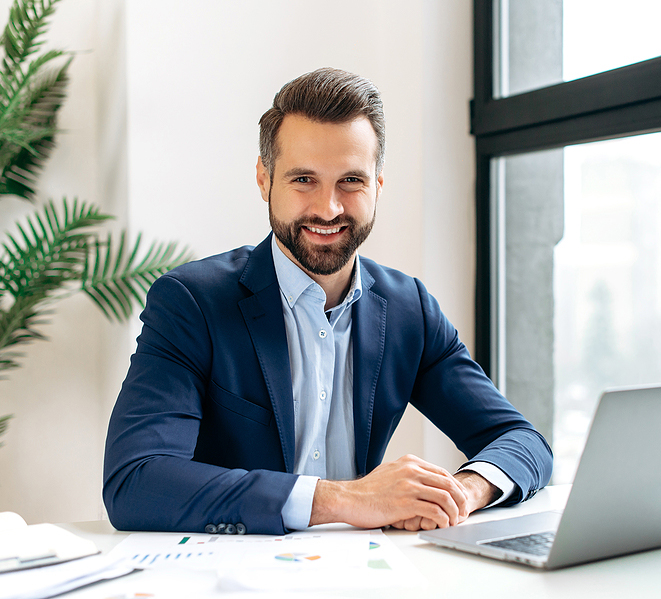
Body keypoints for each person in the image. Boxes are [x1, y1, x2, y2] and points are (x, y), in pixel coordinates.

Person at [103, 68, 552, 536]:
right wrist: (345, 499)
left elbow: (523, 442)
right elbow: (135, 482)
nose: (329, 208)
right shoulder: (192, 303)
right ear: (264, 179)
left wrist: (458, 493)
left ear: (378, 186)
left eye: (351, 181)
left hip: (367, 572)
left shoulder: (408, 309)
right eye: (304, 180)